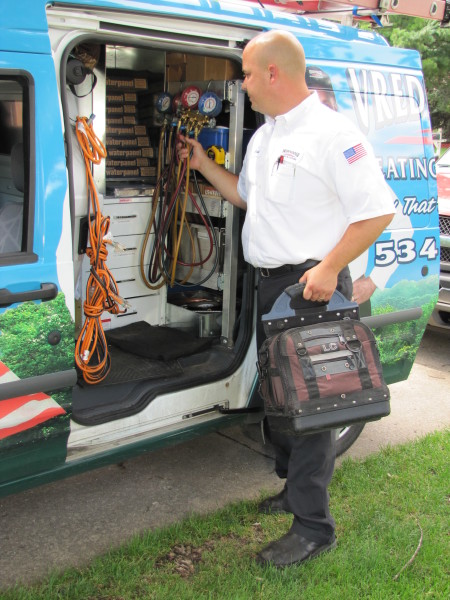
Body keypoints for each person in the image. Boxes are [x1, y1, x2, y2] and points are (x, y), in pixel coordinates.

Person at [178, 30, 395, 568]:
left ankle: (313, 528)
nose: (242, 83)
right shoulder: (264, 136)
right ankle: (290, 489)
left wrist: (329, 267)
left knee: (312, 408)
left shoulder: (332, 134)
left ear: (274, 73)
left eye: (247, 73)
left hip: (311, 287)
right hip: (270, 283)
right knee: (277, 398)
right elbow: (247, 198)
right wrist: (203, 165)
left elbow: (377, 211)